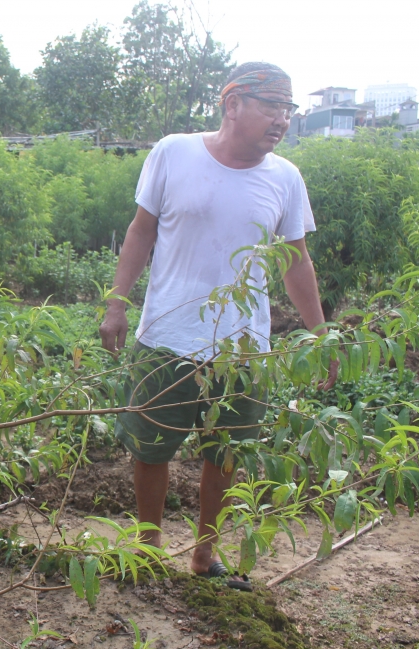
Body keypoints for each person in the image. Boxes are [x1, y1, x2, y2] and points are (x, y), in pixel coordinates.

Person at [98, 62, 338, 590]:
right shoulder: (173, 152)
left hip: (244, 349)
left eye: (288, 110)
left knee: (226, 456)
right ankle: (148, 545)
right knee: (150, 448)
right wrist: (117, 303)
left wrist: (321, 333)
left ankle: (205, 556)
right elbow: (141, 232)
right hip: (165, 338)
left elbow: (296, 261)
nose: (282, 120)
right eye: (271, 106)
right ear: (232, 104)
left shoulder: (285, 178)